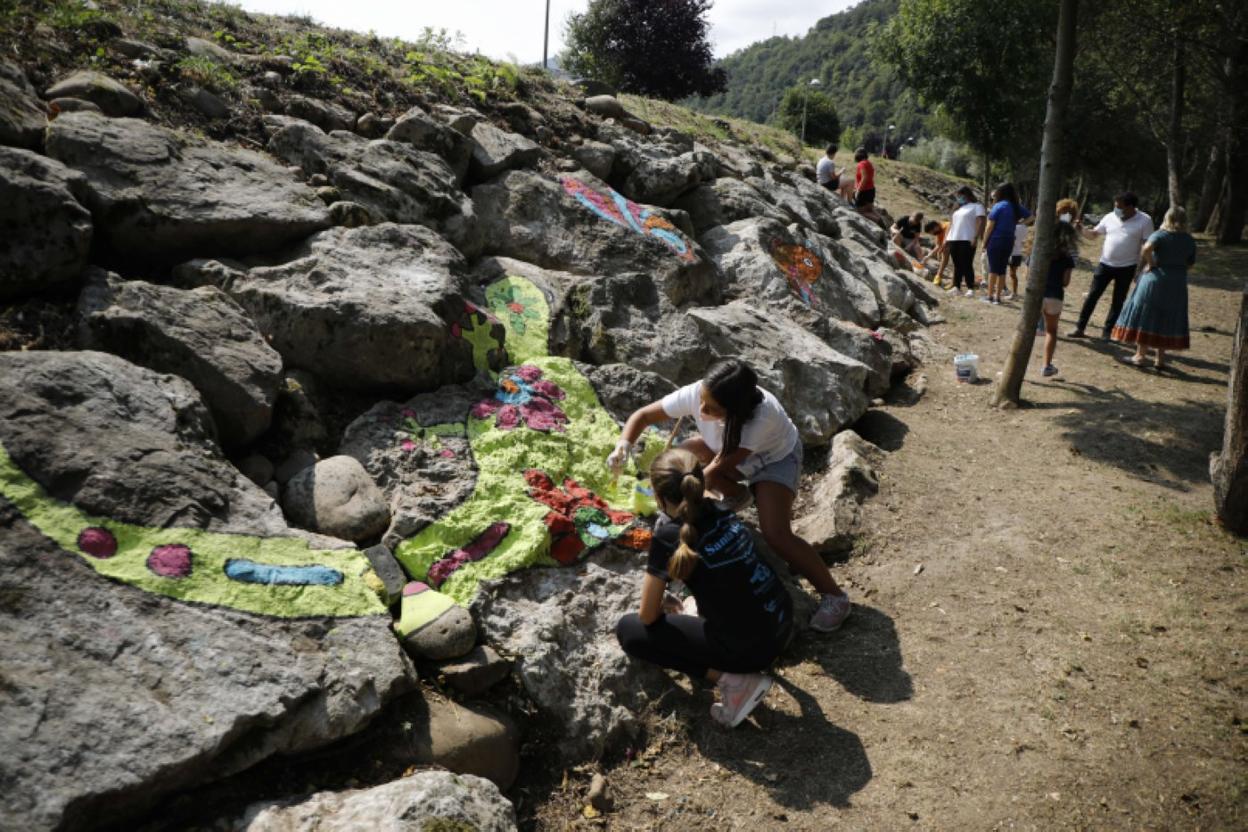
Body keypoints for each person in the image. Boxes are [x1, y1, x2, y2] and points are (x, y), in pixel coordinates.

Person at [608, 358, 851, 633]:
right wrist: (623, 445)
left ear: (734, 410)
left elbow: (715, 469)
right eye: (701, 401)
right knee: (683, 453)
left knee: (776, 534)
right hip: (728, 450)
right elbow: (643, 416)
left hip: (775, 459)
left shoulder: (761, 418)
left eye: (711, 408)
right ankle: (737, 495)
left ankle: (835, 596)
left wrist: (675, 505)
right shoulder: (701, 393)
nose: (701, 410)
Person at [615, 447, 794, 728]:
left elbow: (647, 616)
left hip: (752, 650)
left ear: (659, 497)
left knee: (629, 631)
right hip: (782, 622)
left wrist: (662, 606)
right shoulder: (721, 508)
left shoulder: (669, 534)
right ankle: (717, 640)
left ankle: (734, 681)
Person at [1111, 206, 1196, 368]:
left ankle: (1140, 356)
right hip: (1177, 282)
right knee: (1167, 316)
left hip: (1155, 279)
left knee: (1147, 315)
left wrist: (1151, 263)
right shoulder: (1189, 240)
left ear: (1167, 217)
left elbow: (1146, 249)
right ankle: (1160, 359)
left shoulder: (1161, 234)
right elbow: (1190, 263)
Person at [1069, 192, 1154, 339]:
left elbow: (1146, 246)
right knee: (1092, 296)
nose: (1116, 210)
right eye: (1115, 206)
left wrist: (1140, 269)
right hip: (1105, 264)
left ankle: (1107, 332)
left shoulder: (1145, 220)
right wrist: (1081, 229)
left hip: (1127, 267)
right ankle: (1079, 328)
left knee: (1118, 301)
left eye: (1119, 207)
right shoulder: (1109, 217)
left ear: (1131, 207)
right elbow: (1094, 235)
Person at [1036, 199, 1080, 377]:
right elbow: (1065, 282)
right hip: (1055, 295)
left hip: (1036, 294)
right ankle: (1046, 365)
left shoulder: (1038, 252)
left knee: (1027, 331)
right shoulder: (1067, 258)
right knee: (1051, 331)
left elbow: (1029, 275)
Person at [982, 183, 1032, 305]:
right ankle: (998, 298)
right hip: (1009, 241)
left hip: (996, 240)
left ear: (1000, 192)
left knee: (993, 269)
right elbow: (1031, 217)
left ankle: (990, 296)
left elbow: (989, 227)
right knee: (1002, 269)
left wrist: (984, 242)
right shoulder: (1016, 206)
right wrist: (1018, 223)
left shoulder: (998, 206)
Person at [945, 185, 986, 296]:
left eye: (960, 195)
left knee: (967, 263)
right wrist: (947, 239)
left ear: (966, 194)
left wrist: (976, 237)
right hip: (954, 238)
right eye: (957, 196)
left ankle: (970, 288)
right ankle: (957, 287)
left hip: (967, 238)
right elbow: (952, 224)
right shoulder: (958, 209)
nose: (958, 198)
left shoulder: (977, 206)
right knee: (957, 264)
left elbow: (981, 222)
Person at [853, 147, 882, 224]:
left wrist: (858, 190)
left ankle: (877, 221)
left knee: (859, 212)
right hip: (871, 189)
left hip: (864, 191)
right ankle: (880, 219)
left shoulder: (861, 164)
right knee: (870, 209)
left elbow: (864, 178)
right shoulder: (869, 163)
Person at [1007, 215, 1031, 300]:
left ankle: (1014, 293)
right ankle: (1012, 291)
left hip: (1013, 252)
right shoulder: (1026, 228)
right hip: (1019, 253)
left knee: (1012, 274)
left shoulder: (1015, 227)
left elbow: (1012, 240)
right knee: (1012, 273)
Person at [922, 219, 949, 284]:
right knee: (943, 252)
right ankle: (939, 274)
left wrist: (940, 250)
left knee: (945, 251)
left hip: (960, 242)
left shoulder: (947, 226)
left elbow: (945, 243)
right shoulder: (939, 231)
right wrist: (928, 256)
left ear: (935, 227)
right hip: (948, 244)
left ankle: (939, 275)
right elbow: (938, 245)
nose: (933, 234)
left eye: (932, 232)